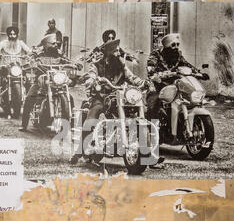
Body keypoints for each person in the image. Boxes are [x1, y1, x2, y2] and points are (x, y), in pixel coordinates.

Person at [70, 39, 164, 168]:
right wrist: (92, 79)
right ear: (108, 52)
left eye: (118, 50)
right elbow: (92, 74)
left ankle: (148, 155)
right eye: (115, 50)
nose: (118, 52)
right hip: (101, 97)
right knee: (91, 119)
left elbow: (132, 78)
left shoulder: (121, 66)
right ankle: (79, 152)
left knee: (137, 114)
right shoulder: (97, 65)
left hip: (119, 97)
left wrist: (143, 83)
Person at [146, 33, 203, 145]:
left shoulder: (178, 54)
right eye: (173, 45)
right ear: (166, 46)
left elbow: (187, 65)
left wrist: (199, 73)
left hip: (174, 85)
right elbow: (151, 70)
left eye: (177, 44)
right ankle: (153, 133)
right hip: (158, 85)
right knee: (154, 103)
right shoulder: (155, 55)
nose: (176, 47)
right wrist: (162, 74)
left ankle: (181, 126)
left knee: (188, 99)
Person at [19, 33, 67, 132]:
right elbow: (31, 57)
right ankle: (24, 125)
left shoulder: (59, 53)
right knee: (29, 97)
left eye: (56, 44)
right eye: (53, 44)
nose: (55, 45)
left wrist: (75, 64)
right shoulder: (39, 53)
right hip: (41, 80)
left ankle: (69, 124)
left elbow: (66, 60)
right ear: (46, 44)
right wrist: (31, 61)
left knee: (68, 97)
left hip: (56, 81)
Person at [0, 26, 33, 114]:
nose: (12, 36)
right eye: (10, 34)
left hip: (18, 68)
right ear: (8, 35)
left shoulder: (21, 43)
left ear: (17, 35)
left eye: (14, 34)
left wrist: (32, 55)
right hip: (5, 67)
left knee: (29, 85)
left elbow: (29, 51)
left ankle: (31, 108)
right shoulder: (3, 43)